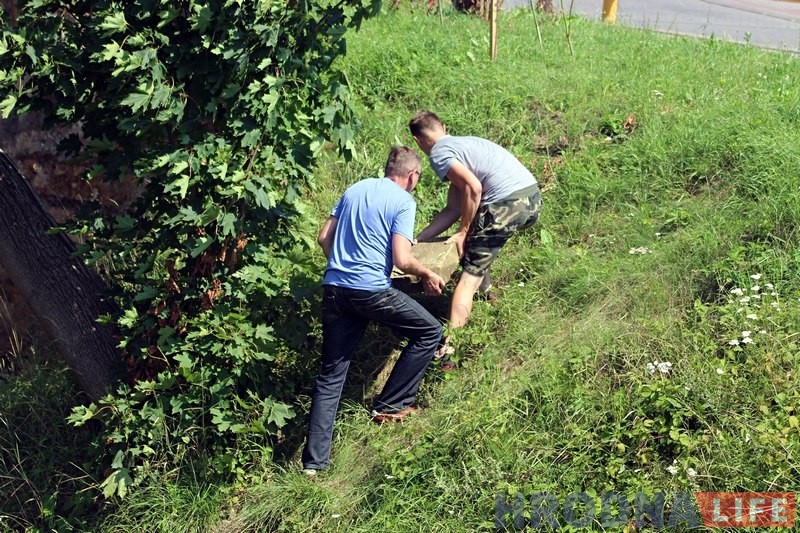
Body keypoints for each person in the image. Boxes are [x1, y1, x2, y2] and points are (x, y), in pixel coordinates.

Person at [301, 146, 445, 475]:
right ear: (413, 176)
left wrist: (343, 269)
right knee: (429, 331)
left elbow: (323, 237)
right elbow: (402, 259)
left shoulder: (355, 189)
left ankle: (313, 465)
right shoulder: (404, 201)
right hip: (371, 292)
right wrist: (427, 274)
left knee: (330, 376)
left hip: (335, 289)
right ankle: (391, 405)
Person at [409, 110, 542, 360]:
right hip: (531, 198)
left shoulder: (439, 153)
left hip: (506, 205)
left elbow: (473, 187)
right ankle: (486, 294)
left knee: (468, 277)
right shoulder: (465, 145)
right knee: (477, 245)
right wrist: (419, 239)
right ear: (443, 127)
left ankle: (450, 349)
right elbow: (453, 209)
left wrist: (462, 231)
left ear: (418, 141)